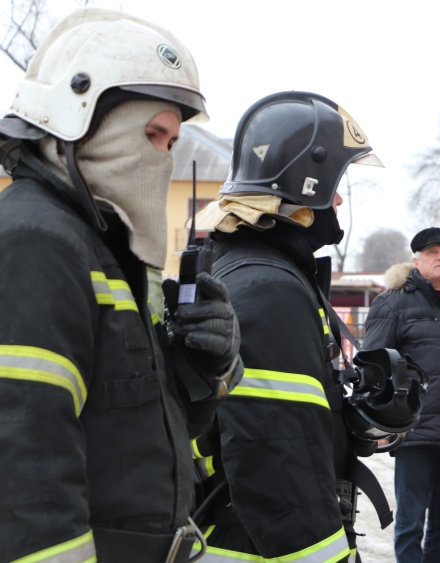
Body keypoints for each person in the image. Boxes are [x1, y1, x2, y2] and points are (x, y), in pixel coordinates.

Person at [0, 9, 242, 563]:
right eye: (152, 134)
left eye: (171, 142)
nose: (161, 157)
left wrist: (204, 370)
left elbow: (139, 431)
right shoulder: (36, 240)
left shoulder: (104, 250)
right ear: (83, 116)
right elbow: (22, 455)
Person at [190, 91, 415, 562]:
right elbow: (276, 455)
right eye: (334, 185)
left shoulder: (247, 268)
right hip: (257, 544)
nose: (336, 199)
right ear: (303, 186)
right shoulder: (268, 288)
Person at [362, 227, 440, 563]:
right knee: (411, 523)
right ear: (416, 260)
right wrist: (387, 418)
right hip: (416, 433)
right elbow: (373, 365)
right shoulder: (395, 302)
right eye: (432, 252)